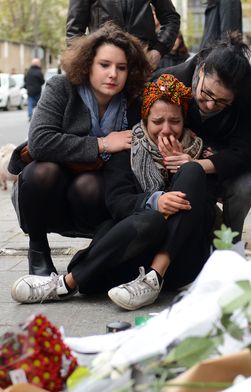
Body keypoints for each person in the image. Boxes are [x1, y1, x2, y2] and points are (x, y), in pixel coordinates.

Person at [11, 74, 216, 311]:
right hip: (132, 252)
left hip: (179, 260)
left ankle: (149, 277)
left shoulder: (199, 151)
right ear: (146, 119)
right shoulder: (128, 148)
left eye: (175, 121)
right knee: (151, 218)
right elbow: (117, 203)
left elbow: (206, 207)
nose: (166, 129)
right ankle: (69, 284)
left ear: (184, 121)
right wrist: (155, 201)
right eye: (158, 121)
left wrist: (181, 168)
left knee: (192, 172)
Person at [11, 22, 151, 278]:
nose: (113, 74)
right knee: (40, 173)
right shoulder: (61, 88)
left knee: (91, 185)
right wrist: (103, 143)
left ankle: (94, 254)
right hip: (51, 187)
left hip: (93, 192)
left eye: (122, 68)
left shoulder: (133, 101)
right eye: (105, 65)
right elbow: (40, 139)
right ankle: (38, 250)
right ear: (88, 63)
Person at [152, 31, 251, 242]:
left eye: (222, 102)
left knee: (244, 187)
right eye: (206, 94)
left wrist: (197, 164)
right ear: (203, 69)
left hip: (217, 165)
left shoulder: (246, 97)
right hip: (167, 165)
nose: (210, 105)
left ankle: (230, 244)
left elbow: (245, 150)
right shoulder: (170, 81)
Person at [66, 0, 180, 70]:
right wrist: (85, 65)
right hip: (103, 66)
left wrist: (157, 51)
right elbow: (74, 32)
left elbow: (171, 19)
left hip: (142, 66)